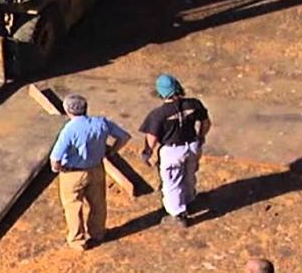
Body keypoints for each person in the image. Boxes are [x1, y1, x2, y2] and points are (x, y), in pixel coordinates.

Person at [49, 94, 131, 250]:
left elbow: (55, 159)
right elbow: (124, 137)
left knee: (73, 207)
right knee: (98, 203)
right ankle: (98, 233)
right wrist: (112, 151)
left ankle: (78, 241)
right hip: (97, 169)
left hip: (72, 173)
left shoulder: (69, 130)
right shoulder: (101, 123)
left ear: (67, 110)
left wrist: (58, 169)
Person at [139, 74, 211, 228]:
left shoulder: (158, 115)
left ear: (160, 93)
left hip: (171, 152)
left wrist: (147, 153)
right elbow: (206, 123)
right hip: (192, 146)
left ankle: (179, 214)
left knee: (171, 183)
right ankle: (189, 199)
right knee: (189, 174)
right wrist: (200, 138)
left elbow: (151, 138)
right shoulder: (194, 104)